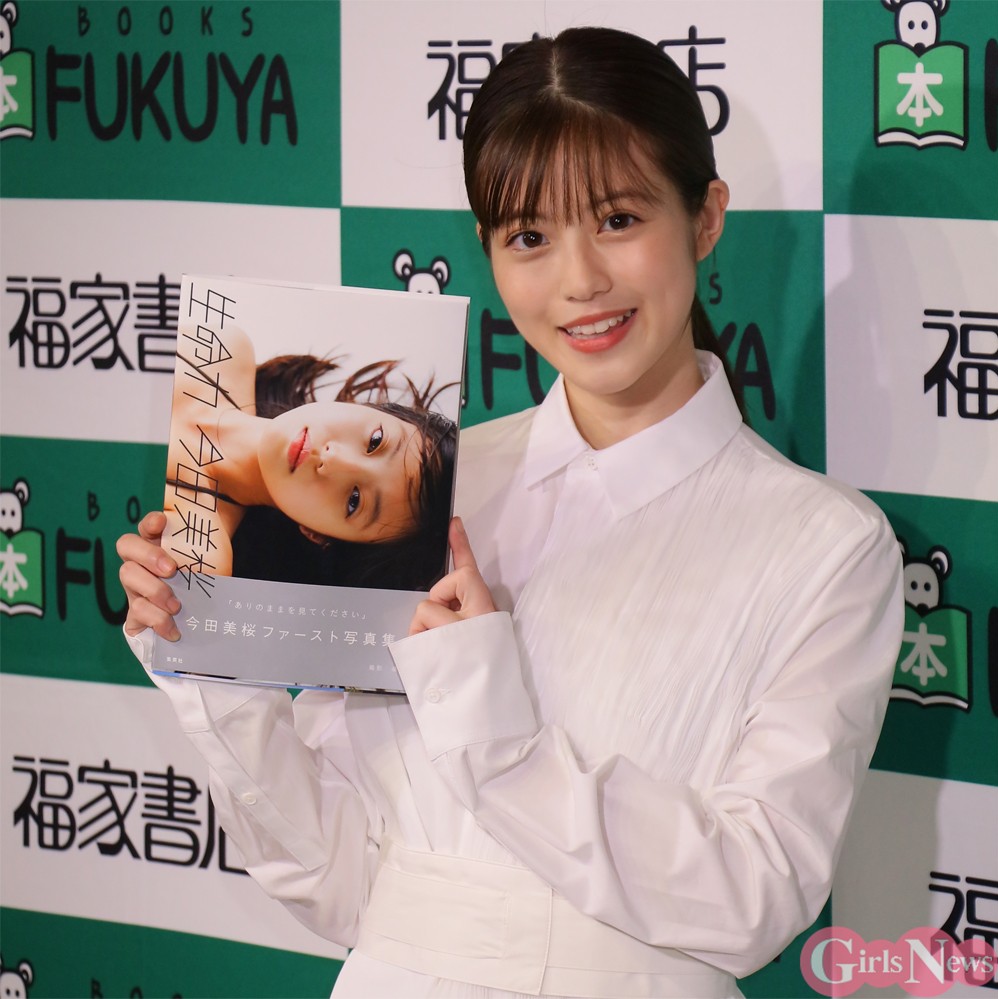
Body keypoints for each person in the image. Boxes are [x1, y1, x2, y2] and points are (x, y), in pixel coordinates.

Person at [117, 26, 903, 999]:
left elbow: (755, 901)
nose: (580, 281)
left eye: (618, 219)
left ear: (705, 218)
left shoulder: (827, 546)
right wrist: (211, 655)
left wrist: (490, 727)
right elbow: (339, 881)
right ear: (488, 252)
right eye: (529, 237)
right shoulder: (426, 497)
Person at [163, 323, 457, 595]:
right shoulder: (218, 346)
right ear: (368, 407)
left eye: (354, 501)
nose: (333, 458)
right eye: (375, 441)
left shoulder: (197, 555)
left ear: (317, 534)